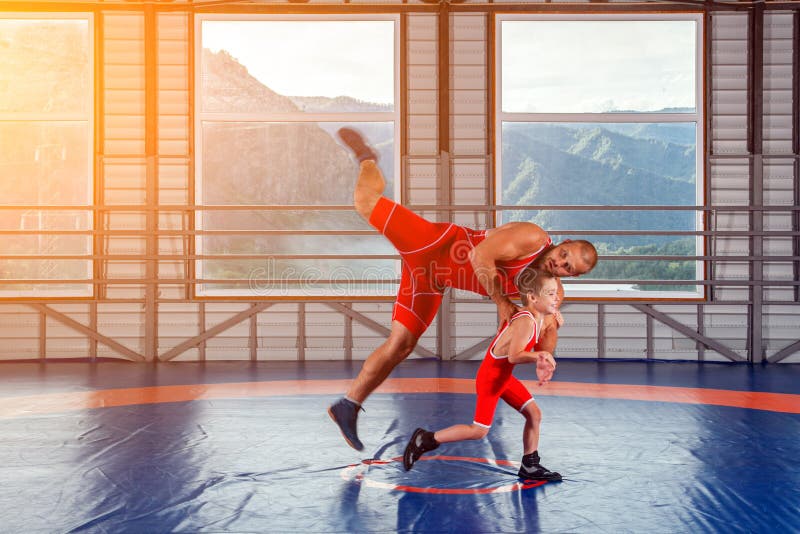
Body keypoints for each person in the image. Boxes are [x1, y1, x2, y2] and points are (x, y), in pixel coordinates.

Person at [328, 127, 597, 451]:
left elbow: (540, 327)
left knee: (401, 344)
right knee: (365, 202)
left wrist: (545, 355)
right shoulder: (532, 237)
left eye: (569, 268)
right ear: (562, 243)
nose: (560, 264)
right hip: (433, 244)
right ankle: (367, 158)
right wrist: (501, 301)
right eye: (563, 255)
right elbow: (478, 254)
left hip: (432, 279)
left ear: (573, 277)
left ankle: (348, 404)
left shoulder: (549, 291)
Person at [401, 268, 562, 481]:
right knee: (478, 430)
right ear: (532, 298)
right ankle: (426, 438)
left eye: (556, 292)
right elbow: (514, 356)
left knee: (534, 414)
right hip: (491, 378)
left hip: (503, 377)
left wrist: (543, 352)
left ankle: (530, 465)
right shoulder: (526, 321)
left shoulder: (539, 317)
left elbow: (518, 337)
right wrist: (539, 356)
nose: (557, 297)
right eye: (550, 293)